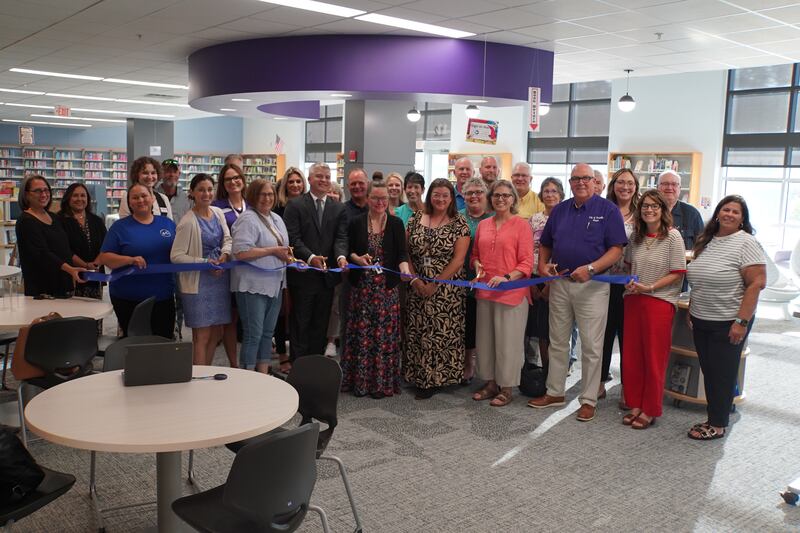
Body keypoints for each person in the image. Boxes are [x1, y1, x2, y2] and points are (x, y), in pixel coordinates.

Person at [528, 163, 627, 422]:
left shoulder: (608, 210)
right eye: (576, 179)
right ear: (570, 183)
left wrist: (592, 268)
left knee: (592, 345)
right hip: (560, 284)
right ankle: (555, 392)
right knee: (558, 341)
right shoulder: (560, 210)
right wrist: (542, 266)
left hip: (592, 286)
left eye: (586, 178)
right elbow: (546, 244)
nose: (581, 182)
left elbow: (617, 249)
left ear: (595, 182)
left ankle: (588, 399)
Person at [686, 195, 766, 440]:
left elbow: (757, 284)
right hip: (702, 318)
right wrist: (691, 308)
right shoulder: (706, 240)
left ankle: (717, 424)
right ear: (718, 213)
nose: (730, 214)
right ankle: (718, 413)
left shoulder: (746, 242)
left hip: (729, 320)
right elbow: (698, 279)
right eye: (726, 209)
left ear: (743, 219)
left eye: (736, 212)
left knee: (721, 372)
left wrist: (741, 322)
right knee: (710, 371)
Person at [621, 190, 686, 429]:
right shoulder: (636, 238)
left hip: (658, 302)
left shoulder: (673, 237)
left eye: (654, 206)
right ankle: (635, 404)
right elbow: (630, 269)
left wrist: (649, 287)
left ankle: (650, 408)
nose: (649, 210)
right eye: (645, 206)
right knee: (632, 357)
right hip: (633, 300)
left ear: (663, 209)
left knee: (654, 358)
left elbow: (677, 272)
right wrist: (630, 282)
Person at [342, 180, 410, 398]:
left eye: (384, 198)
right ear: (368, 198)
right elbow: (350, 250)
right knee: (362, 334)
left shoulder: (397, 223)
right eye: (375, 198)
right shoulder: (356, 222)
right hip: (362, 287)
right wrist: (356, 258)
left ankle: (381, 383)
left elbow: (401, 253)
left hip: (387, 290)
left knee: (383, 336)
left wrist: (405, 270)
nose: (380, 202)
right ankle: (359, 382)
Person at [405, 178, 470, 399]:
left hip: (447, 290)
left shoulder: (459, 222)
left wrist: (435, 283)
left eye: (445, 195)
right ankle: (417, 375)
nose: (440, 199)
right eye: (436, 194)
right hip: (417, 286)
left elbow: (459, 260)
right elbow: (406, 252)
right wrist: (415, 280)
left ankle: (437, 378)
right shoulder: (414, 219)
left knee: (441, 333)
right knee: (418, 330)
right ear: (429, 195)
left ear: (451, 198)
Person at [471, 180, 533, 407]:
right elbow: (475, 254)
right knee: (486, 342)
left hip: (512, 294)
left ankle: (507, 388)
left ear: (513, 199)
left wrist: (507, 278)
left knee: (508, 343)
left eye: (506, 195)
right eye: (496, 195)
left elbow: (527, 262)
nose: (501, 199)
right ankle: (490, 383)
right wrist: (477, 265)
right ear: (490, 198)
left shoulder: (522, 225)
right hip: (485, 291)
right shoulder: (483, 225)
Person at [283, 162, 348, 363]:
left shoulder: (338, 208)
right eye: (319, 176)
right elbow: (293, 239)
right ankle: (298, 368)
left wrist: (341, 257)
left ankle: (314, 368)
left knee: (320, 326)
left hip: (327, 278)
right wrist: (311, 258)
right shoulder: (295, 205)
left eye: (328, 177)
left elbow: (341, 238)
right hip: (303, 277)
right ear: (309, 180)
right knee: (301, 324)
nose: (324, 180)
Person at [99, 183, 176, 338]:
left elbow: (179, 253)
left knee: (163, 342)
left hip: (163, 296)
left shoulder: (167, 224)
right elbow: (105, 257)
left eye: (144, 195)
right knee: (134, 345)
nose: (140, 200)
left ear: (153, 198)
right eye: (135, 197)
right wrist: (129, 260)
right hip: (128, 297)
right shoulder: (120, 227)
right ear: (129, 202)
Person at [170, 174, 232, 366]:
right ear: (192, 193)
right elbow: (176, 255)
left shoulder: (218, 213)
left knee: (216, 332)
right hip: (198, 284)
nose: (206, 194)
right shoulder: (188, 222)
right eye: (201, 190)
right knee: (201, 335)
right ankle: (198, 377)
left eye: (209, 189)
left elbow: (228, 240)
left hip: (219, 279)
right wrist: (205, 262)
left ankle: (207, 369)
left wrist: (225, 254)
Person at [231, 179, 290, 373]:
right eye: (262, 194)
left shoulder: (276, 218)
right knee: (253, 334)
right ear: (253, 195)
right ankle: (247, 376)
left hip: (275, 284)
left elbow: (284, 249)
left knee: (267, 333)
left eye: (271, 194)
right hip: (252, 286)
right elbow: (241, 252)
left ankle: (263, 375)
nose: (267, 198)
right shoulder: (247, 219)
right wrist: (272, 251)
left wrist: (293, 260)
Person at [600, 168, 640, 402]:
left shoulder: (642, 212)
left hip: (631, 284)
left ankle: (628, 386)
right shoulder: (603, 210)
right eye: (621, 182)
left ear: (636, 187)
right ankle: (599, 381)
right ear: (613, 185)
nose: (625, 187)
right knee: (602, 334)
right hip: (603, 281)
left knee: (629, 337)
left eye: (630, 183)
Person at [15, 175, 84, 297]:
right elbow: (42, 254)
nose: (43, 194)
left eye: (46, 190)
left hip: (63, 284)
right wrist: (70, 269)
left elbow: (64, 248)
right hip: (43, 289)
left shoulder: (54, 217)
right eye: (38, 191)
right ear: (26, 195)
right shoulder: (26, 221)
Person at [212, 163, 248, 368]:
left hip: (250, 269)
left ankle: (250, 363)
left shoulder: (251, 204)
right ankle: (234, 364)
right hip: (227, 268)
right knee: (229, 320)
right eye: (228, 179)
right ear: (223, 184)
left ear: (242, 180)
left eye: (237, 178)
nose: (233, 182)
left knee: (249, 317)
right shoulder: (217, 207)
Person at [529, 177, 565, 372]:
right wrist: (531, 283)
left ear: (561, 195)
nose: (550, 195)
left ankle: (552, 372)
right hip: (534, 278)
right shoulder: (534, 219)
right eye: (546, 191)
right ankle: (535, 372)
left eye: (554, 191)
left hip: (556, 281)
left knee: (551, 330)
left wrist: (550, 285)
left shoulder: (565, 219)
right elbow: (526, 252)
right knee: (534, 329)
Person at [458, 177, 492, 384]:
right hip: (460, 277)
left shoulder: (494, 217)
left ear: (486, 195)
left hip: (488, 277)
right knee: (467, 321)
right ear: (463, 195)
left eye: (479, 192)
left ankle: (486, 365)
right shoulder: (456, 217)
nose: (474, 196)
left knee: (486, 323)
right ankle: (467, 363)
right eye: (469, 192)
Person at [274, 166, 307, 369]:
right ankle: (281, 353)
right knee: (281, 312)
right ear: (285, 185)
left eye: (298, 181)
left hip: (302, 265)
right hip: (281, 265)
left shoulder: (308, 206)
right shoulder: (278, 209)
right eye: (291, 181)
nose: (295, 185)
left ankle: (297, 353)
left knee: (297, 312)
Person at [60, 183, 106, 299]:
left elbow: (106, 246)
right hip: (71, 278)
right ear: (68, 198)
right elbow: (63, 250)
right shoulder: (59, 220)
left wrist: (95, 264)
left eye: (83, 195)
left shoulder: (97, 220)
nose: (79, 199)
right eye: (75, 195)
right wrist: (86, 265)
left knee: (95, 313)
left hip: (94, 278)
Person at [657, 170, 703, 251]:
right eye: (665, 184)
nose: (669, 187)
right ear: (657, 187)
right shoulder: (648, 212)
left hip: (685, 262)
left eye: (674, 184)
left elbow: (702, 246)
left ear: (680, 188)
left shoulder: (692, 214)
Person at [325, 182, 344, 357]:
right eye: (328, 192)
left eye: (335, 193)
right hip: (321, 264)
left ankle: (331, 340)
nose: (331, 195)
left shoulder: (341, 212)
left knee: (336, 306)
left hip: (339, 265)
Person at [156, 158, 192, 223]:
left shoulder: (185, 198)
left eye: (175, 172)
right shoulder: (153, 195)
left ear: (179, 174)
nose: (172, 175)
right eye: (168, 171)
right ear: (161, 174)